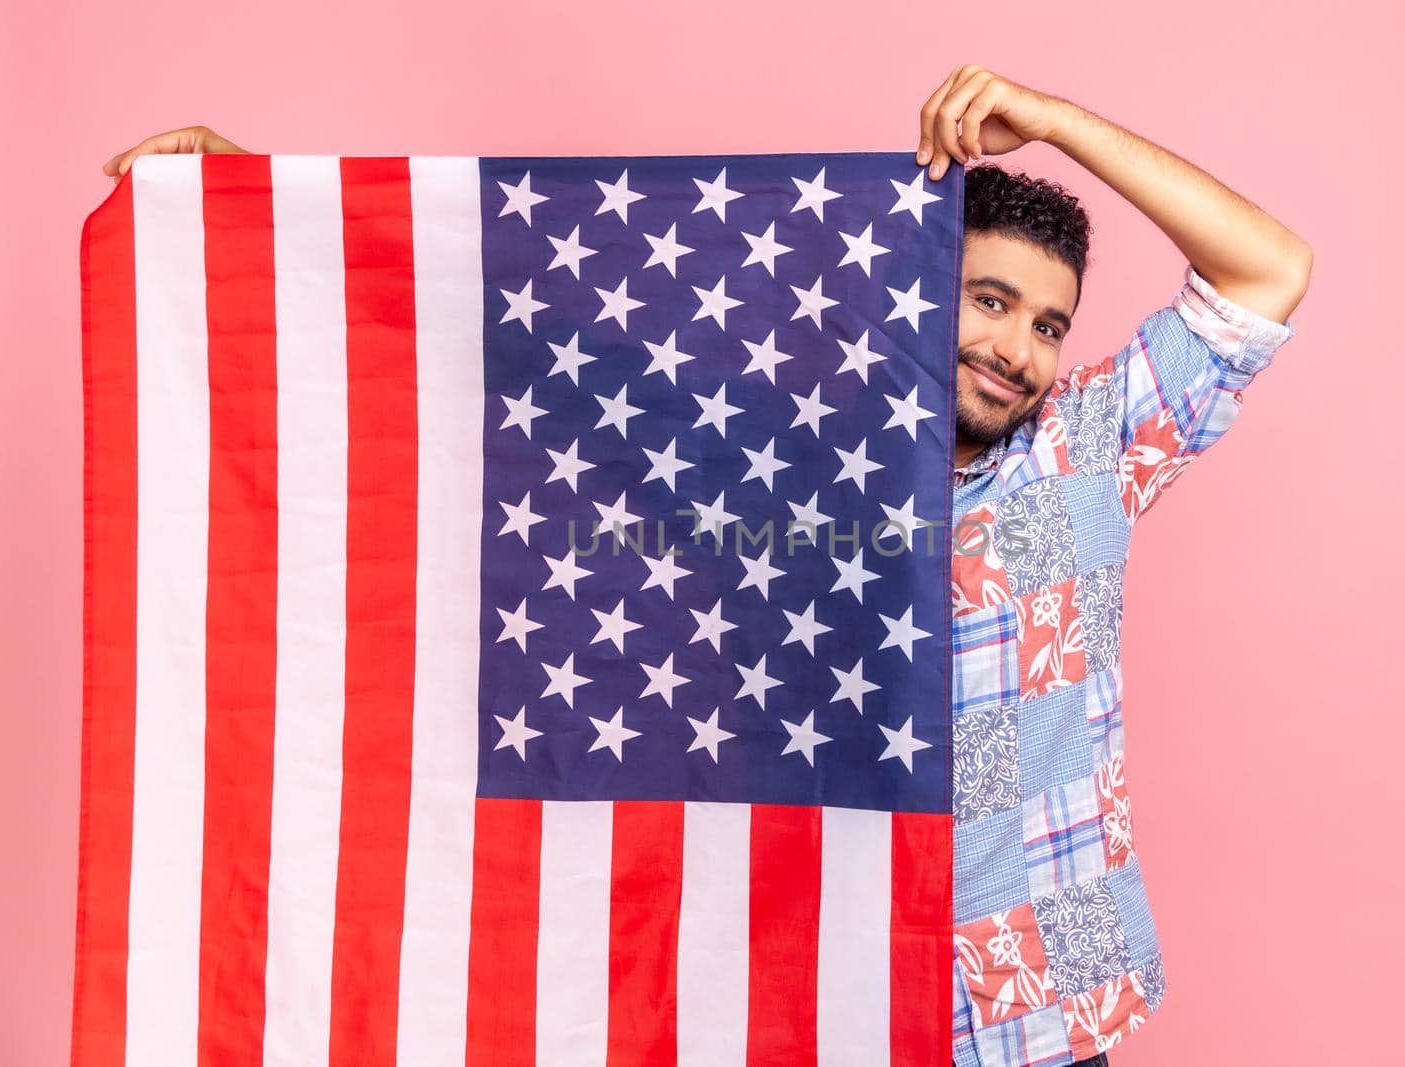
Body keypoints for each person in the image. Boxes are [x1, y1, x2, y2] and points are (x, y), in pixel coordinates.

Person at [102, 65, 1310, 1066]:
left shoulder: (1087, 456)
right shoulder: (784, 461)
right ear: (914, 291)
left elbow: (1267, 269)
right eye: (987, 300)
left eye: (1049, 323)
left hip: (1046, 1006)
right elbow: (535, 359)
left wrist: (1052, 120)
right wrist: (251, 197)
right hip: (836, 1001)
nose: (1018, 349)